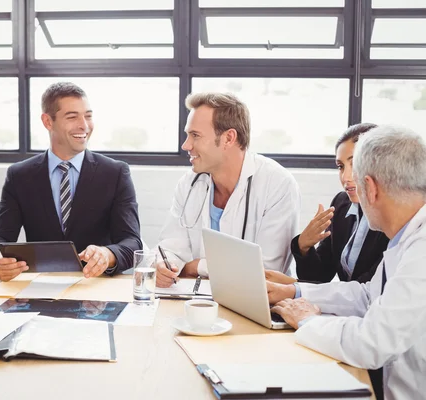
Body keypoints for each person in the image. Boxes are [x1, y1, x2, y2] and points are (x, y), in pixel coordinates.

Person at [269, 125, 426, 400]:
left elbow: (372, 343)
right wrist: (296, 292)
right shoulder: (406, 235)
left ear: (370, 188)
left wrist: (308, 320)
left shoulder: (420, 248)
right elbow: (367, 295)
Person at [0, 82, 142, 281]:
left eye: (88, 116)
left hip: (96, 288)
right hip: (41, 287)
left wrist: (107, 255)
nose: (84, 125)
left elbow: (132, 242)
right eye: (72, 117)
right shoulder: (20, 175)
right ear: (48, 122)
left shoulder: (115, 172)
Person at [154, 92, 300, 288]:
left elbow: (268, 271)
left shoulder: (277, 184)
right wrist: (165, 265)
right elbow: (171, 247)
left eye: (195, 135)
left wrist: (194, 267)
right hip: (196, 300)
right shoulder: (189, 183)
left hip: (254, 304)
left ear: (229, 138)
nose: (186, 145)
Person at [293, 123, 389, 283]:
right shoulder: (341, 203)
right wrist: (303, 246)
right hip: (343, 306)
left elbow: (371, 288)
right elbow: (320, 276)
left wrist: (293, 287)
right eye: (341, 166)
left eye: (355, 163)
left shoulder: (394, 214)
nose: (346, 177)